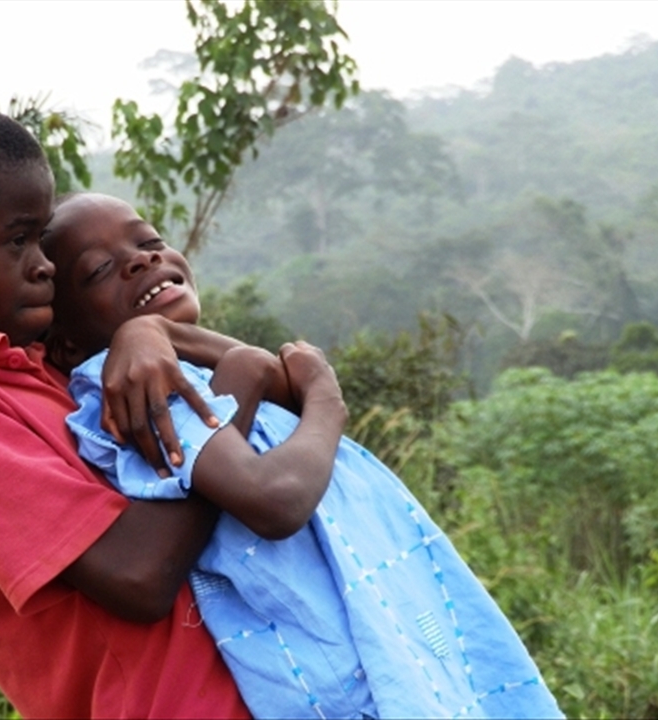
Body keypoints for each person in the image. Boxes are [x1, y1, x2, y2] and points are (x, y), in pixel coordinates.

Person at [41, 192, 565, 720]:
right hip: (348, 687)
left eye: (151, 241)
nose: (143, 258)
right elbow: (276, 501)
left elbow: (268, 369)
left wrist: (157, 329)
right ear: (65, 347)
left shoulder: (178, 366)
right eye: (101, 269)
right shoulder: (142, 386)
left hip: (383, 658)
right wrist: (328, 402)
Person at [0, 99, 261, 719]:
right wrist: (227, 415)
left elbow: (259, 373)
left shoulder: (32, 362)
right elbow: (137, 576)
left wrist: (147, 334)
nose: (44, 265)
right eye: (18, 240)